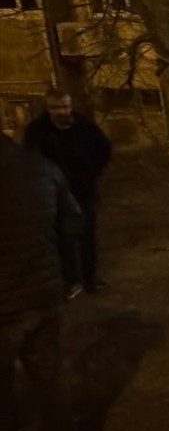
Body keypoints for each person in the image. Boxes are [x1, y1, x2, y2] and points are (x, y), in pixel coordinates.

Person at [0, 133, 83, 431]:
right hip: (41, 296)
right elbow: (72, 223)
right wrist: (71, 276)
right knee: (48, 381)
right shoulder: (41, 168)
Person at [23, 89, 112, 292]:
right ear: (48, 109)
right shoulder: (37, 131)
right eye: (56, 107)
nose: (61, 111)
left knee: (86, 234)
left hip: (82, 189)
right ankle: (69, 280)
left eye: (65, 106)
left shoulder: (83, 125)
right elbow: (29, 160)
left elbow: (103, 148)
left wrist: (92, 172)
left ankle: (90, 277)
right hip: (53, 194)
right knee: (60, 238)